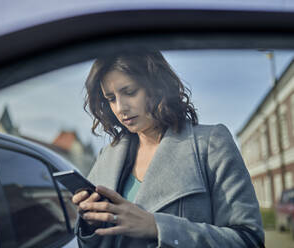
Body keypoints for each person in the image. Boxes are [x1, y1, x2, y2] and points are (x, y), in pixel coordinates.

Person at [72, 50, 264, 247]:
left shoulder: (211, 144)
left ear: (156, 86)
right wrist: (91, 225)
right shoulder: (107, 156)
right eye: (111, 98)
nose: (120, 108)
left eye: (130, 92)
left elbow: (249, 239)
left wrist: (158, 227)